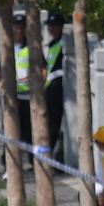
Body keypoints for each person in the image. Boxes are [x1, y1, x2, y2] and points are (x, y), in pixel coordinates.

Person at [42, 13, 65, 157]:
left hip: (58, 88)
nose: (52, 29)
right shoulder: (51, 44)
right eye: (50, 26)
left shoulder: (64, 44)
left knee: (54, 124)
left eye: (55, 26)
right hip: (49, 88)